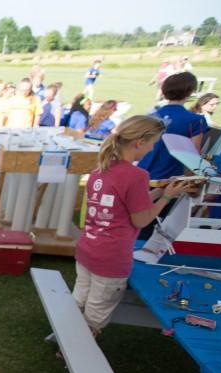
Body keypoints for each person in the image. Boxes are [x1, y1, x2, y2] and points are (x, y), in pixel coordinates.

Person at [75, 116, 192, 334]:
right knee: (95, 313)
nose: (152, 148)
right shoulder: (137, 175)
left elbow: (127, 203)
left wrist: (158, 191)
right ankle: (71, 351)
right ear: (139, 142)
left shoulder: (101, 169)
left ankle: (64, 337)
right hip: (111, 257)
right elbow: (141, 219)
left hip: (88, 249)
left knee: (79, 300)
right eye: (153, 142)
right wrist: (166, 198)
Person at [138, 72, 208, 180]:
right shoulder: (195, 120)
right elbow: (193, 157)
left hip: (141, 171)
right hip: (167, 179)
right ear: (190, 91)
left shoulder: (151, 114)